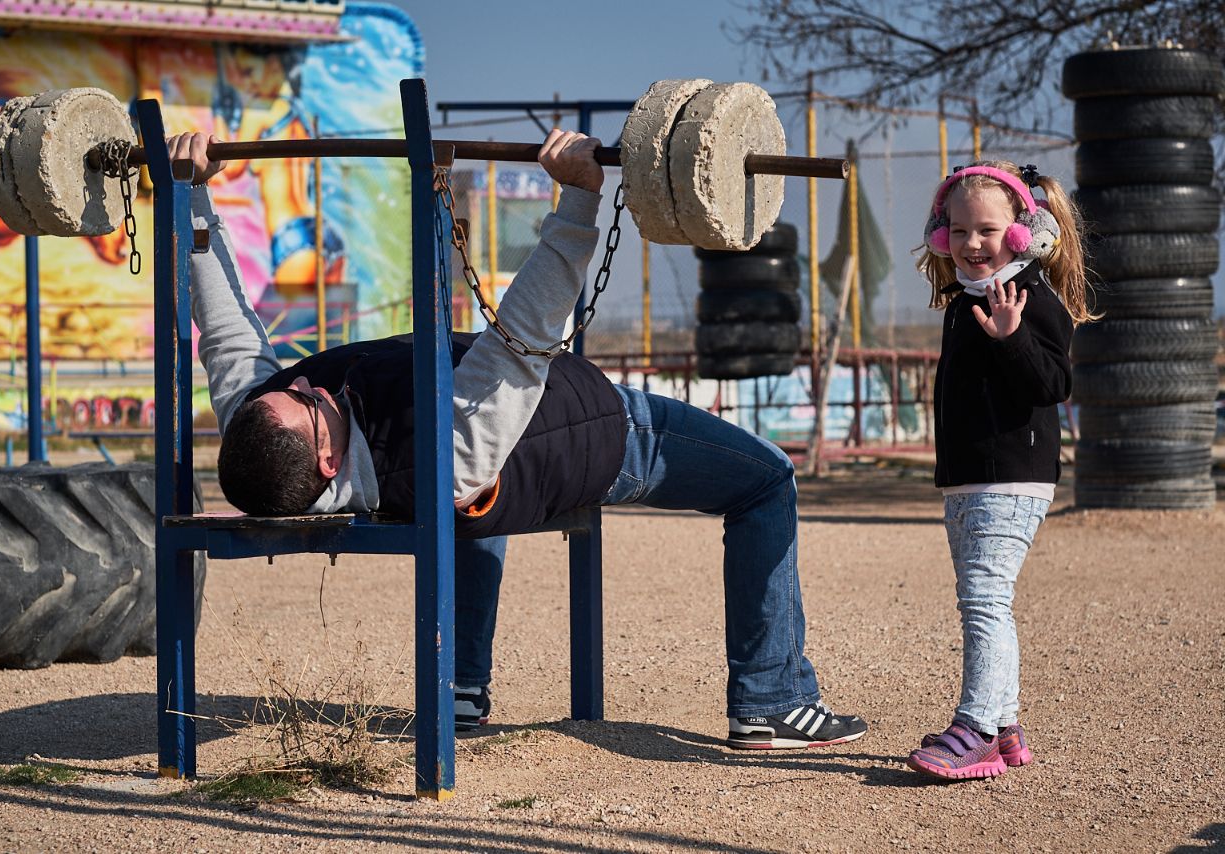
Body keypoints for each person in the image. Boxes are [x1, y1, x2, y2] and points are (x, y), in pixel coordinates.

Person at [172, 128, 866, 750]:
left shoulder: (260, 430)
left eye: (286, 393)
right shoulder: (440, 458)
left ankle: (463, 689)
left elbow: (227, 331)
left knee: (468, 508)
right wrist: (577, 201)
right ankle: (773, 701)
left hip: (489, 469)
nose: (301, 387)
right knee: (766, 480)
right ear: (327, 459)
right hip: (597, 433)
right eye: (305, 405)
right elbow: (526, 338)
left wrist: (191, 196)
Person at [906, 161, 1092, 780]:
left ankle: (978, 726)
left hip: (1011, 476)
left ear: (1024, 233)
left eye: (988, 230)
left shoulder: (1029, 297)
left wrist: (1013, 338)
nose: (971, 243)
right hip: (968, 477)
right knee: (978, 600)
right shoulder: (965, 300)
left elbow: (1053, 383)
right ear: (941, 236)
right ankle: (1005, 725)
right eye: (958, 232)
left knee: (986, 599)